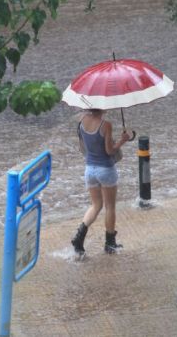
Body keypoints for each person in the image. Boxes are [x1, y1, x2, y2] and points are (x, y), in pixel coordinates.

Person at [71, 109, 130, 256]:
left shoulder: (82, 121)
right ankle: (110, 244)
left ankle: (79, 237)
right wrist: (122, 141)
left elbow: (85, 145)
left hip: (89, 170)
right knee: (110, 207)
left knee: (96, 205)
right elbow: (109, 151)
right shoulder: (106, 125)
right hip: (105, 170)